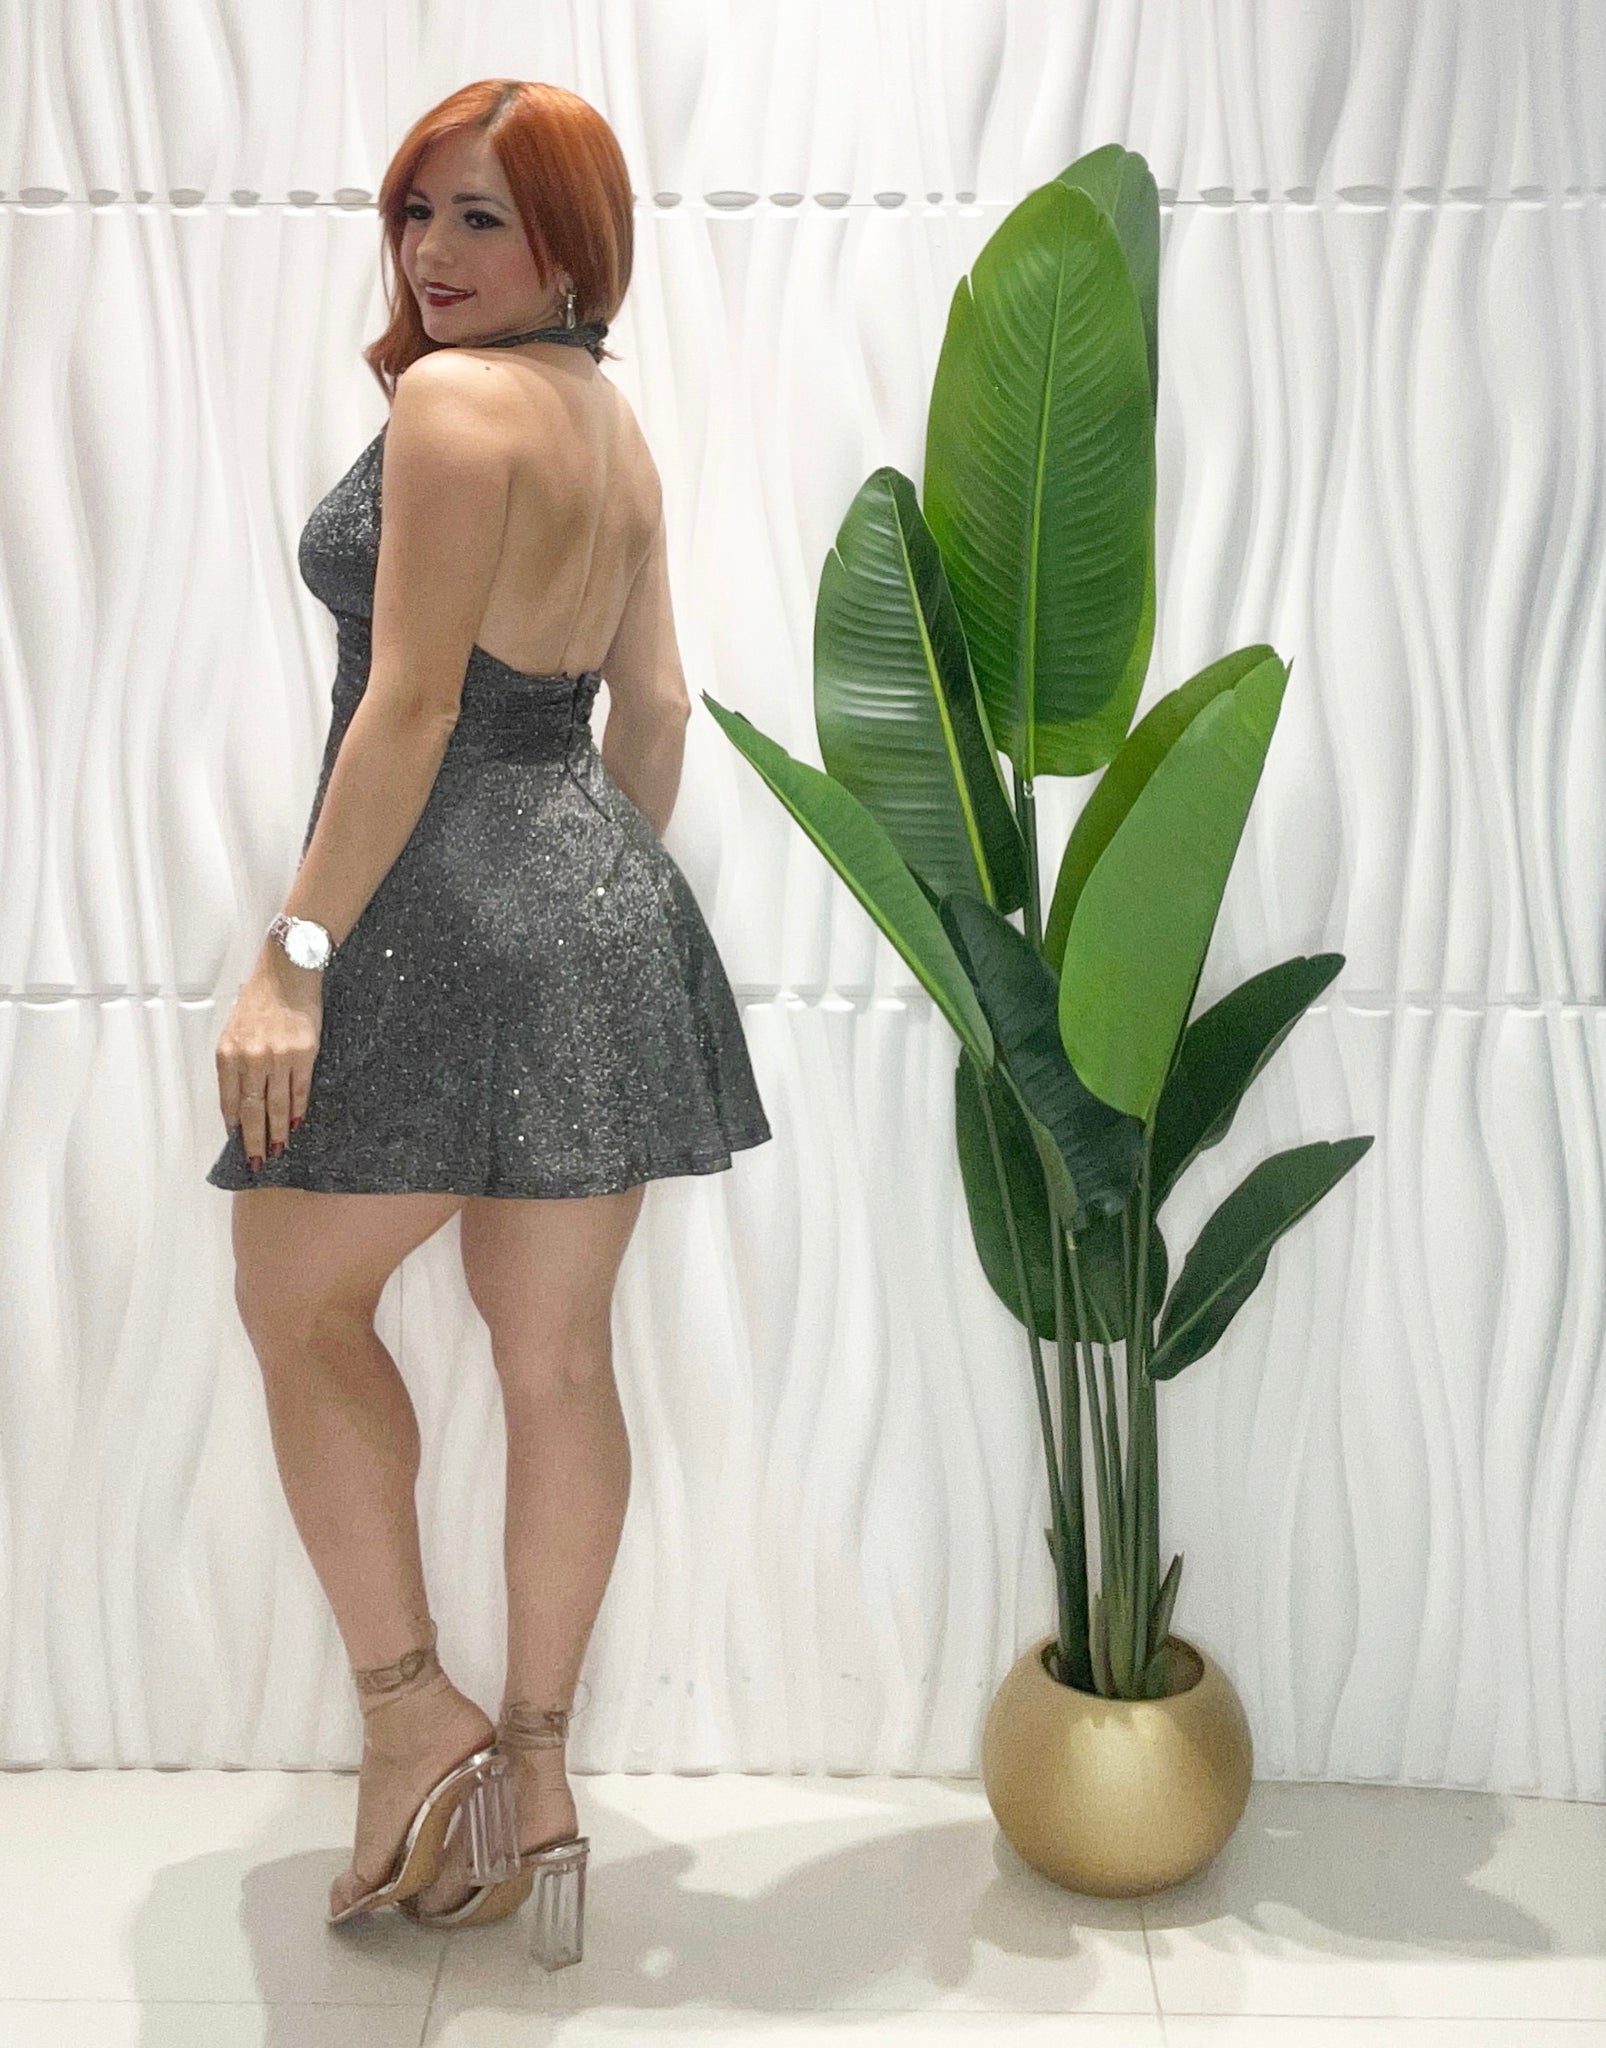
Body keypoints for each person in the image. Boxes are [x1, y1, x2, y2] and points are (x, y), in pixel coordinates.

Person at [205, 79, 772, 1956]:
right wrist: (586, 916)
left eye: (483, 219)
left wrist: (294, 952)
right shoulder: (610, 424)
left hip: (433, 909)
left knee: (292, 1297)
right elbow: (655, 715)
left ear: (570, 245)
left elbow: (413, 708)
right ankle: (536, 1773)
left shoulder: (454, 405)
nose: (434, 254)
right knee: (557, 1365)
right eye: (416, 211)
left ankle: (409, 1717)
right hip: (600, 902)